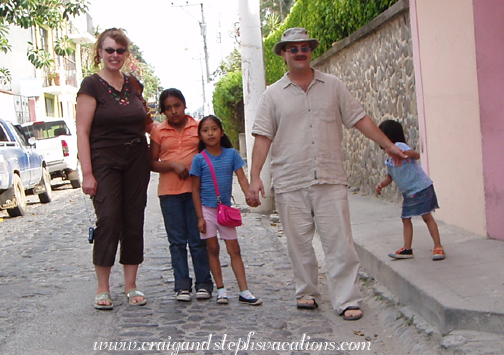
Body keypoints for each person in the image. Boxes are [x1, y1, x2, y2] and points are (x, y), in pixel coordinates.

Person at [248, 27, 408, 321]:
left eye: (304, 47)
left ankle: (347, 299)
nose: (299, 52)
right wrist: (255, 176)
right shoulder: (272, 95)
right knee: (298, 243)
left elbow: (359, 118)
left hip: (331, 177)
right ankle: (306, 291)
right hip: (289, 179)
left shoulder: (333, 86)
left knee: (340, 242)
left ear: (311, 51)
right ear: (284, 54)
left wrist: (389, 146)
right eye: (292, 48)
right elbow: (263, 137)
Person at [76, 28, 158, 310]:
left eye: (120, 51)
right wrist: (87, 173)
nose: (114, 55)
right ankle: (102, 288)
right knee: (109, 219)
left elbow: (146, 122)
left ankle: (131, 284)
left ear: (126, 54)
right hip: (104, 159)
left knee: (133, 218)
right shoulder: (91, 85)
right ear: (99, 51)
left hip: (137, 158)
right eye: (109, 50)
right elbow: (82, 132)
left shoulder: (134, 83)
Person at [190, 115, 262, 306]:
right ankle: (221, 289)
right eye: (205, 130)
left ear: (221, 132)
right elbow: (195, 189)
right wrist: (199, 217)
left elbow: (242, 178)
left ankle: (244, 290)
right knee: (212, 249)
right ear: (200, 136)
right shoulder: (199, 159)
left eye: (214, 129)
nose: (210, 133)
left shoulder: (232, 155)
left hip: (225, 211)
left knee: (234, 249)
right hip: (207, 210)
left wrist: (250, 196)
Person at [150, 89, 213, 302]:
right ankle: (182, 286)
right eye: (168, 108)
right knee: (177, 241)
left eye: (177, 105)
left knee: (198, 239)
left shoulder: (197, 127)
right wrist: (172, 165)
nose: (173, 111)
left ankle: (204, 283)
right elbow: (152, 163)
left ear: (184, 105)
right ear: (163, 111)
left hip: (196, 191)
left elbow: (210, 151)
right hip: (169, 194)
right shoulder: (159, 131)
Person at [376, 120, 445, 261]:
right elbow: (390, 176)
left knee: (427, 216)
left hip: (421, 188)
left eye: (381, 135)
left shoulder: (399, 147)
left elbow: (416, 155)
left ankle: (438, 247)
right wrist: (382, 184)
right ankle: (407, 250)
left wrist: (406, 153)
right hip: (409, 193)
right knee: (405, 218)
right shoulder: (388, 159)